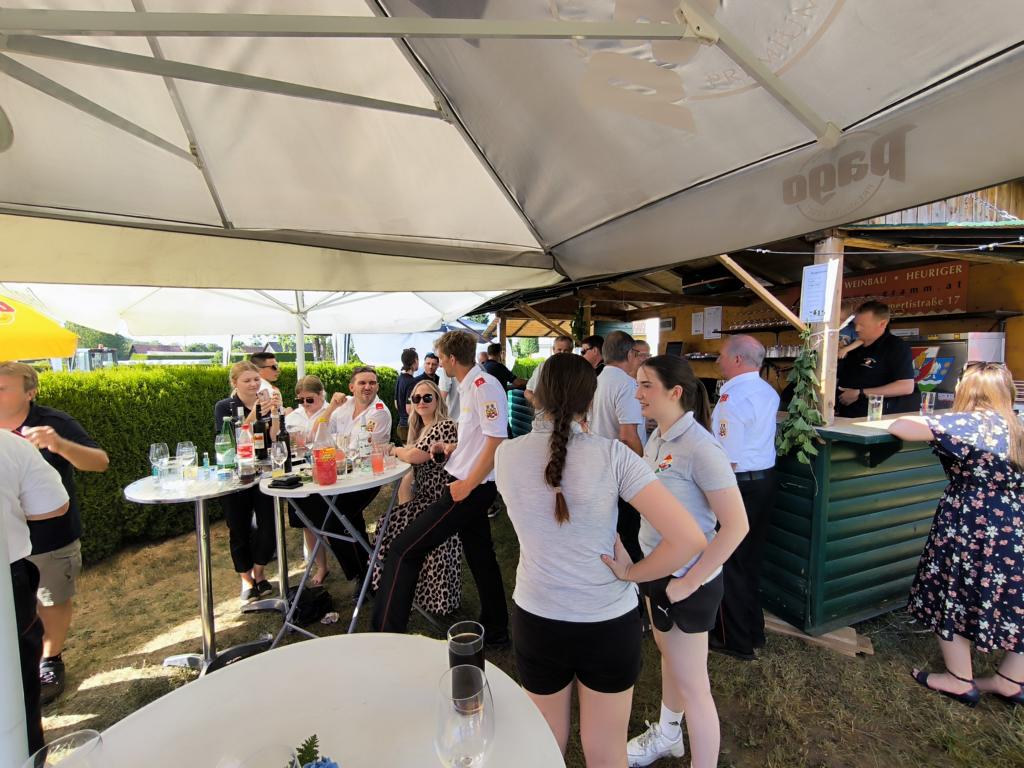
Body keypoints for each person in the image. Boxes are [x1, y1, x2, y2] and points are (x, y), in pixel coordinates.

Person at [496, 352, 707, 765]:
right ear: (590, 401)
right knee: (606, 752)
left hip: (538, 617)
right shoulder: (613, 455)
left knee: (543, 748)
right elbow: (689, 539)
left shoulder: (507, 454)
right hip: (606, 621)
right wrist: (633, 573)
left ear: (536, 395)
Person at [626, 355, 749, 768]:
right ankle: (668, 735)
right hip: (659, 573)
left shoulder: (701, 447)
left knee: (695, 688)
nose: (637, 393)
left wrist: (690, 582)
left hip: (685, 581)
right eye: (637, 384)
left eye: (646, 385)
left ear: (675, 392)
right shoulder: (658, 437)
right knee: (671, 660)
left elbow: (736, 526)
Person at [887, 362, 1024, 707]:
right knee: (1014, 596)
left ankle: (959, 679)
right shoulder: (1017, 424)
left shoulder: (966, 423)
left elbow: (899, 426)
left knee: (950, 588)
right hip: (1015, 518)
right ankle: (1010, 679)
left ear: (968, 391)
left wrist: (940, 418)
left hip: (970, 520)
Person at [373, 331, 509, 641]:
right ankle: (496, 628)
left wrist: (467, 485)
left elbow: (497, 440)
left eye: (441, 358)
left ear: (451, 358)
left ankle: (385, 635)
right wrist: (452, 448)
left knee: (404, 549)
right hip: (467, 481)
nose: (440, 364)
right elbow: (479, 439)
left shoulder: (483, 386)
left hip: (468, 487)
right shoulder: (471, 385)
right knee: (481, 557)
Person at [0, 361, 109, 705]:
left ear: (30, 393)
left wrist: (58, 444)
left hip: (49, 538)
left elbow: (100, 462)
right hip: (7, 542)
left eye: (2, 388)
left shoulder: (54, 423)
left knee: (51, 599)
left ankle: (50, 660)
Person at [709, 335, 780, 660]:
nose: (718, 361)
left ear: (737, 359)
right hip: (764, 481)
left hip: (739, 484)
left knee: (730, 560)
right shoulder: (767, 391)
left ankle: (734, 639)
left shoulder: (732, 398)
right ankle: (753, 629)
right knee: (749, 559)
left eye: (721, 355)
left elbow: (728, 459)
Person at [2, 429, 69, 756]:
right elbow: (54, 506)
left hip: (10, 578)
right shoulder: (9, 445)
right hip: (7, 578)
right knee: (16, 687)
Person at [371, 379, 462, 615]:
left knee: (388, 525)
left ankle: (393, 590)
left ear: (438, 400)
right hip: (424, 498)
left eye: (427, 397)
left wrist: (394, 449)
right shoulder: (421, 428)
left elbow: (414, 456)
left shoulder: (444, 425)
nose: (421, 402)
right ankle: (395, 588)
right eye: (416, 398)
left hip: (438, 501)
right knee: (387, 524)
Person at [214, 361, 279, 605]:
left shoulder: (268, 402)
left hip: (264, 472)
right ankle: (247, 579)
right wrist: (256, 412)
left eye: (256, 379)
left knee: (269, 525)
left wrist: (275, 413)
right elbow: (234, 437)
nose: (253, 384)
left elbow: (274, 438)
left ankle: (260, 572)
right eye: (247, 380)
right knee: (238, 527)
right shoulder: (225, 407)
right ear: (235, 383)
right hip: (236, 475)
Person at [321, 366, 393, 584]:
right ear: (351, 387)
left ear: (377, 387)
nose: (367, 387)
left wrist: (333, 447)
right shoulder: (343, 406)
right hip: (343, 476)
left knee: (334, 523)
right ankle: (367, 575)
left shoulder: (379, 412)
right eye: (362, 383)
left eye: (372, 383)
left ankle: (361, 575)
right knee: (349, 521)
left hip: (367, 478)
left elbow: (358, 450)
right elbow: (320, 434)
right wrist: (331, 407)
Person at [589, 330, 646, 563]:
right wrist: (643, 467)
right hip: (622, 471)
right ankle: (633, 579)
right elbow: (628, 436)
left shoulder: (597, 380)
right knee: (629, 535)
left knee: (609, 532)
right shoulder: (626, 385)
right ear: (631, 354)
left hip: (599, 464)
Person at [284, 375, 331, 586]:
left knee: (329, 519)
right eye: (300, 400)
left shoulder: (334, 411)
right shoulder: (293, 417)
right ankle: (321, 566)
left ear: (321, 394)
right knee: (307, 523)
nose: (304, 404)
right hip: (301, 471)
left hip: (327, 470)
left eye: (309, 399)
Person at [836, 301, 918, 417]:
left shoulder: (896, 347)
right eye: (855, 324)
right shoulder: (852, 348)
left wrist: (860, 393)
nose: (857, 329)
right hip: (846, 416)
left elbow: (906, 387)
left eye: (862, 325)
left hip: (879, 418)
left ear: (882, 324)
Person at [524, 335, 574, 407]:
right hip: (546, 412)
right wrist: (539, 405)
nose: (562, 353)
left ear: (571, 351)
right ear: (553, 349)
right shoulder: (543, 367)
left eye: (566, 350)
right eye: (559, 350)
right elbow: (528, 392)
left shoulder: (576, 369)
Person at [395, 348, 419, 444]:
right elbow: (409, 409)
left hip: (401, 425)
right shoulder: (411, 382)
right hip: (409, 427)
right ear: (415, 361)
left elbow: (396, 404)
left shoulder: (399, 378)